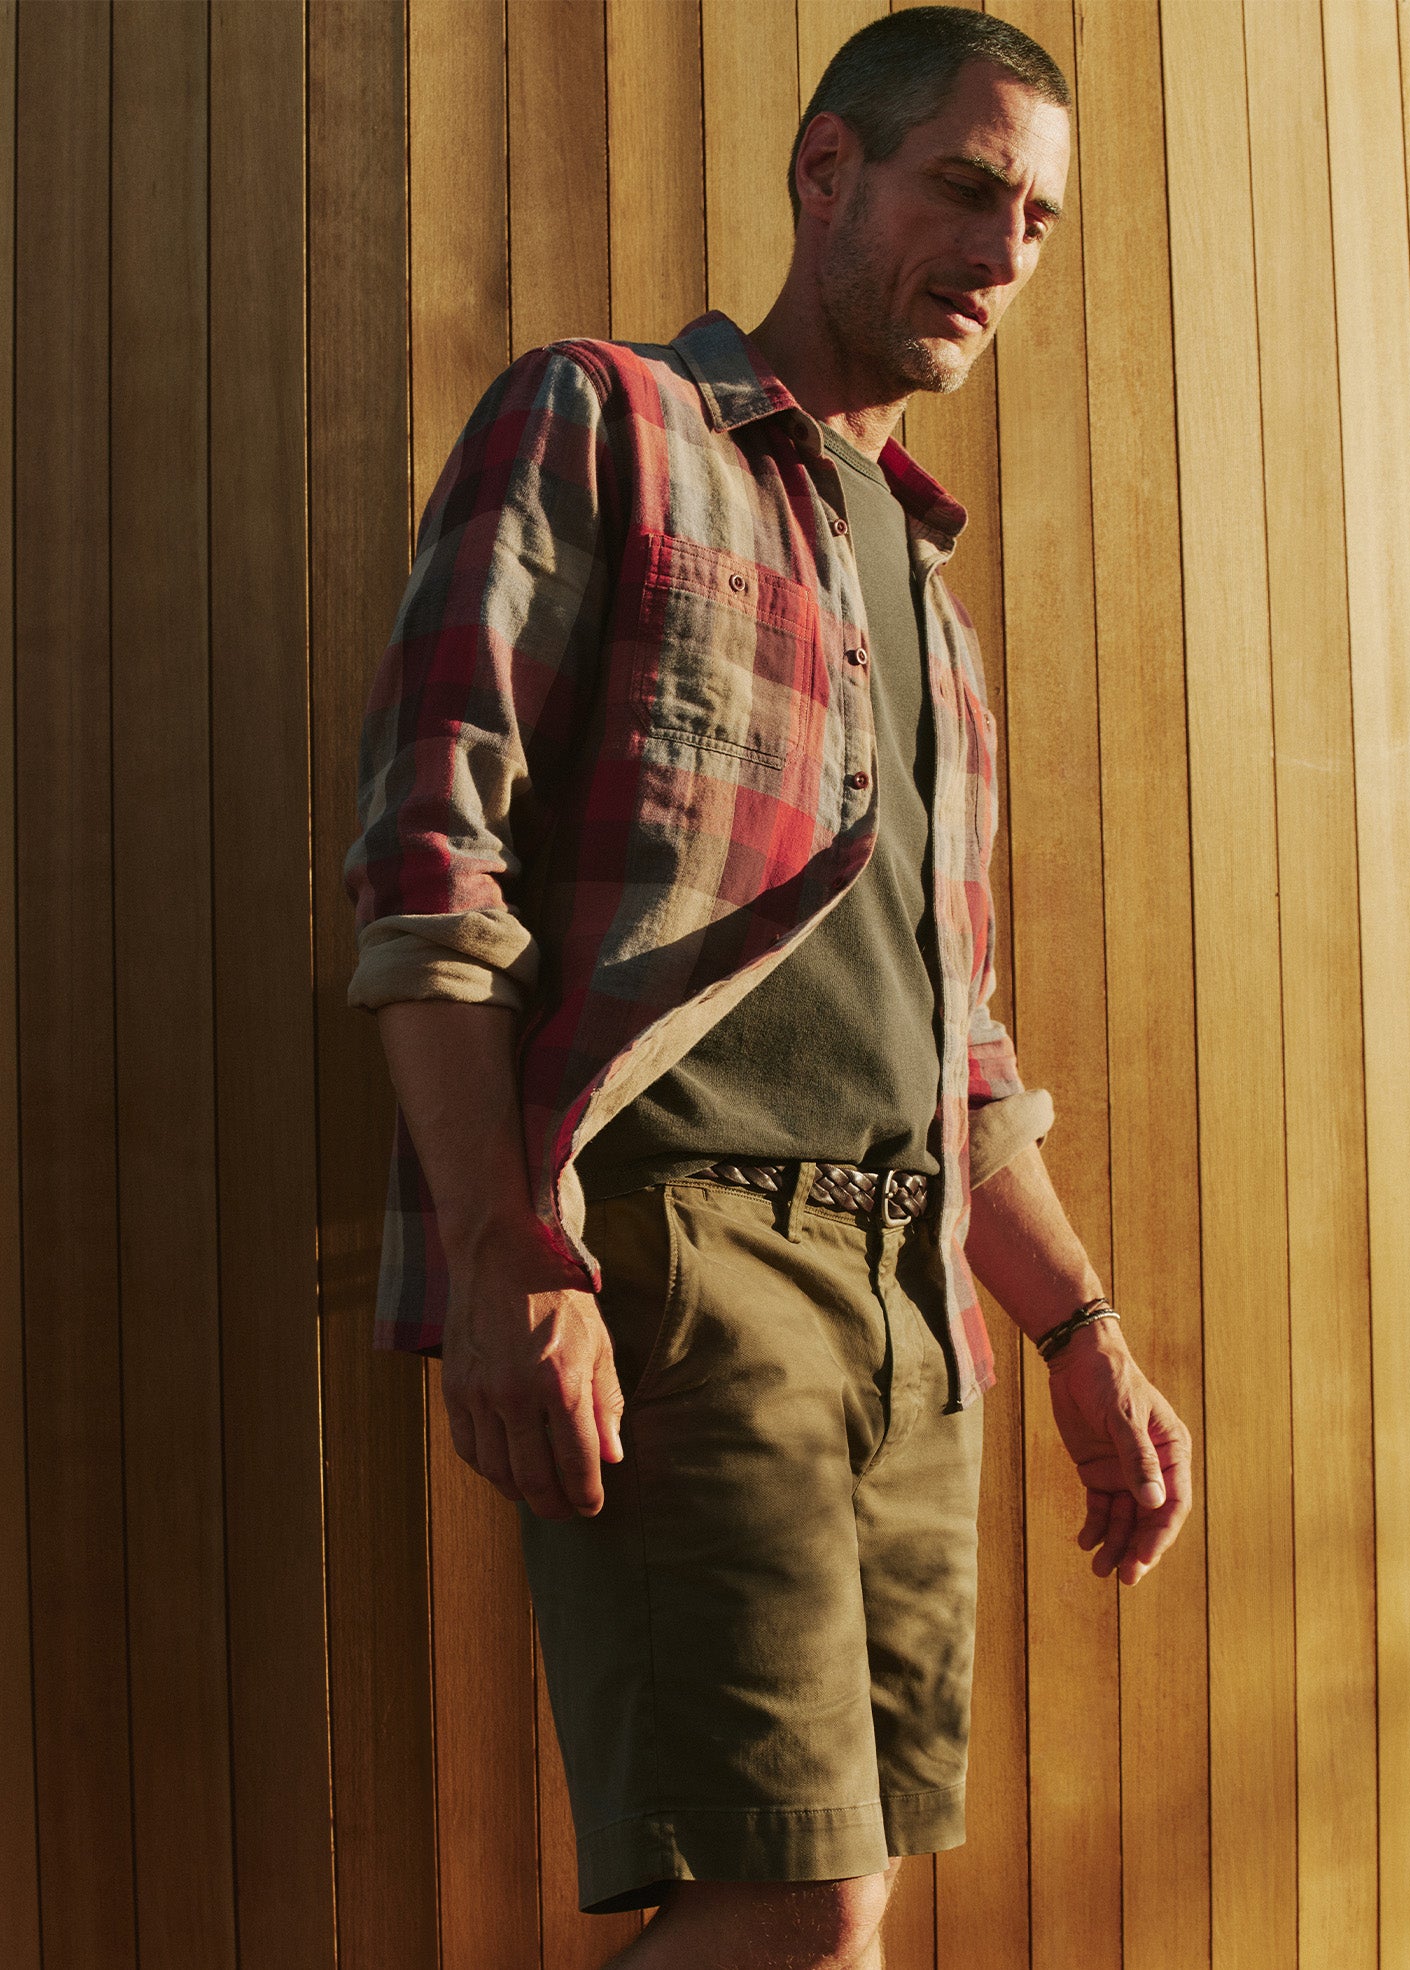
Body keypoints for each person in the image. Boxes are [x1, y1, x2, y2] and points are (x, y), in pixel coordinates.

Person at [343, 10, 1192, 1967]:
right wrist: (503, 1246)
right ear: (830, 174)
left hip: (914, 1309)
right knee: (799, 1906)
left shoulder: (934, 608)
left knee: (854, 1905)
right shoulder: (606, 424)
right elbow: (428, 863)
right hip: (691, 1263)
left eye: (1038, 221)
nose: (999, 253)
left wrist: (1082, 1337)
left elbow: (956, 1042)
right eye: (965, 189)